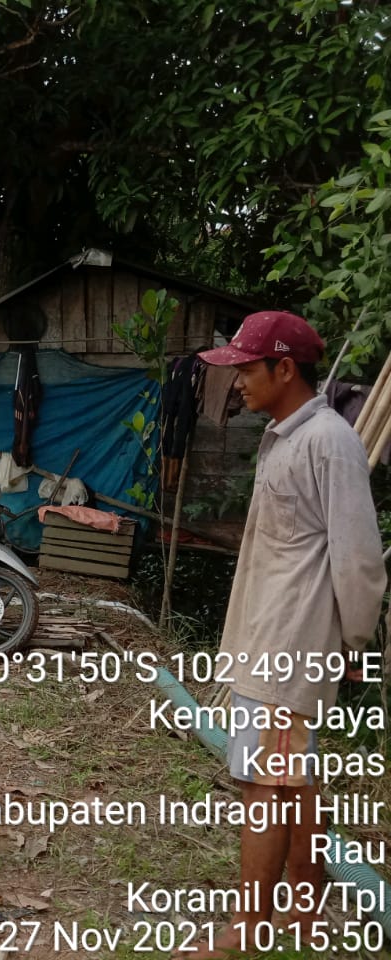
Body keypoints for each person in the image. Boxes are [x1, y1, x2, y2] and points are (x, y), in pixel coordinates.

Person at [188, 310, 385, 959]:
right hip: (269, 636)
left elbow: (358, 558)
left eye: (246, 368)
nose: (237, 380)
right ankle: (304, 906)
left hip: (290, 646)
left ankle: (248, 930)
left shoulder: (329, 441)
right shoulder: (286, 435)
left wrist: (356, 645)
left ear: (284, 368)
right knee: (291, 778)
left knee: (265, 784)